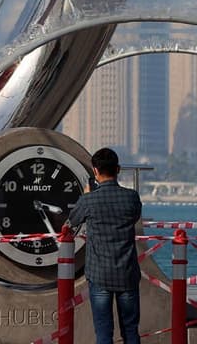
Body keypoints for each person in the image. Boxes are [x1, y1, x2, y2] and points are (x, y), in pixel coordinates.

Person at [65, 147, 143, 344]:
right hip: (127, 273)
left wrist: (86, 195)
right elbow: (135, 217)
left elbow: (72, 221)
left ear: (95, 171)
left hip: (99, 274)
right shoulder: (131, 197)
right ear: (118, 169)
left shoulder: (89, 200)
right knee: (131, 330)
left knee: (103, 331)